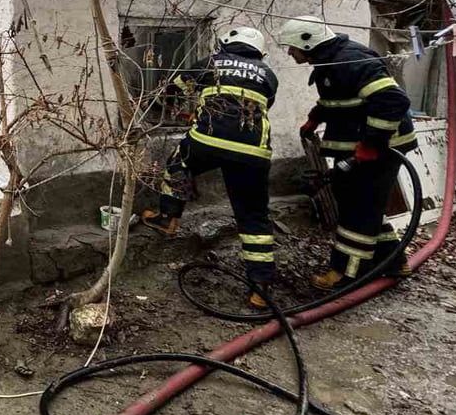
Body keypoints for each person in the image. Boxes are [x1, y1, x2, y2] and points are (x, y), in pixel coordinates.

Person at [139, 26, 279, 308]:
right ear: (258, 52)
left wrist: (168, 108)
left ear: (226, 44)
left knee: (178, 164)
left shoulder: (212, 62)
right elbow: (258, 107)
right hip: (253, 151)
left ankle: (168, 218)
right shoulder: (268, 75)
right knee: (254, 215)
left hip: (209, 139)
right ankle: (261, 287)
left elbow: (173, 90)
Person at [276, 16, 416, 291]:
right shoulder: (331, 60)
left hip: (382, 149)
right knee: (367, 205)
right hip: (366, 146)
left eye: (292, 47)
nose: (290, 53)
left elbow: (393, 100)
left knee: (357, 206)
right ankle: (393, 260)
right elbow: (340, 96)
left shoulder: (350, 61)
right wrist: (316, 116)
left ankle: (348, 272)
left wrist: (372, 144)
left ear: (309, 41)